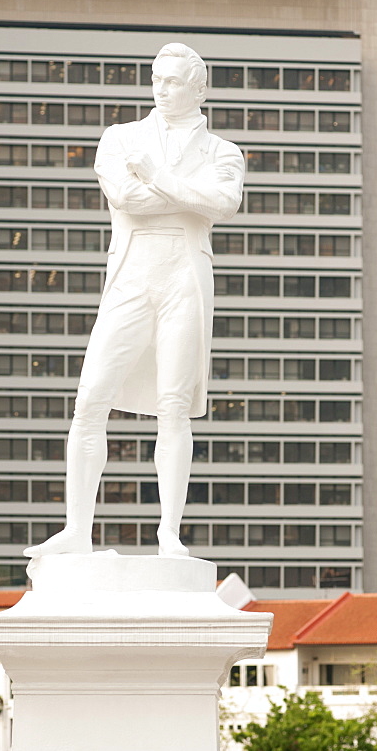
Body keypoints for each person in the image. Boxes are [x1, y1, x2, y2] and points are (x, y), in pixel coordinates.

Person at [25, 42, 245, 559]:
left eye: (172, 81)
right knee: (89, 399)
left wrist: (162, 178)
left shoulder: (222, 151)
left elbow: (224, 203)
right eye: (156, 78)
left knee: (174, 406)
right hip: (132, 274)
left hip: (184, 278)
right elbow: (127, 199)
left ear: (199, 88)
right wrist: (183, 194)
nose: (161, 88)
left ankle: (169, 532)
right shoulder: (120, 138)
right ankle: (77, 528)